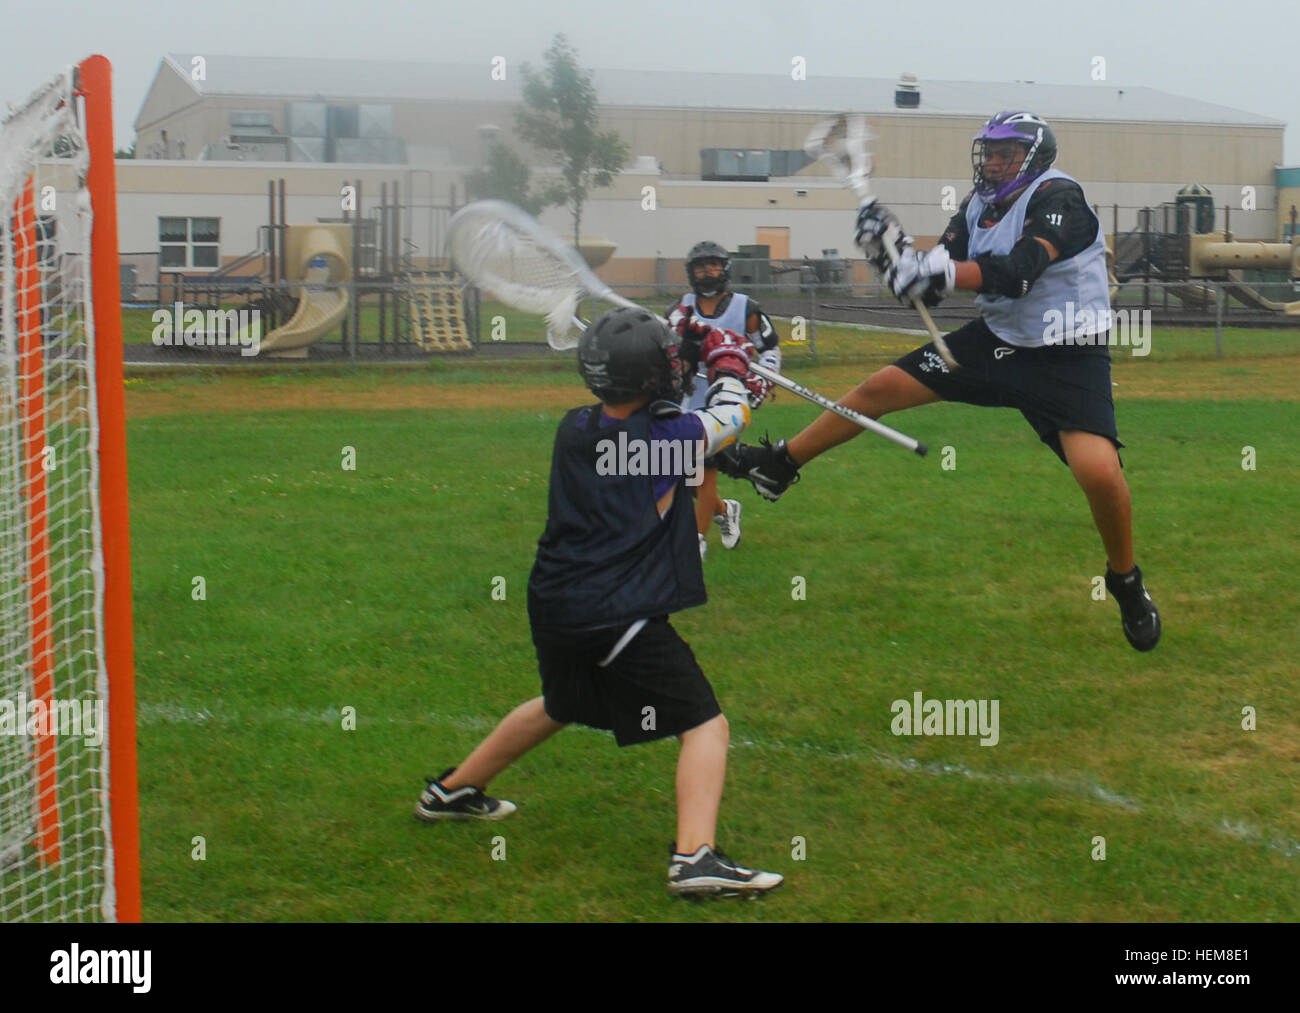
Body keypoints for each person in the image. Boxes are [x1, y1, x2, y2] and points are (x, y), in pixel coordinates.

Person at [722, 111, 1161, 652]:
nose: (995, 162)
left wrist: (937, 270)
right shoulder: (977, 207)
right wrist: (896, 256)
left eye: (1008, 153)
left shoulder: (1059, 198)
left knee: (1099, 473)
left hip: (1066, 353)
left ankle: (1125, 580)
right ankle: (781, 463)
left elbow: (1019, 271)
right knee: (879, 388)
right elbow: (932, 287)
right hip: (996, 342)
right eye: (990, 152)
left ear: (1036, 156)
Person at [414, 306, 783, 898]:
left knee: (562, 703)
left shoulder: (576, 428)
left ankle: (453, 791)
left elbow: (683, 429)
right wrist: (731, 362)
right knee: (706, 725)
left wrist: (697, 354)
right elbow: (728, 417)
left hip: (557, 602)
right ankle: (695, 860)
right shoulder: (664, 440)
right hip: (617, 612)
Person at [667, 241, 782, 560]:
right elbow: (670, 351)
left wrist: (764, 377)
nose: (708, 271)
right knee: (683, 474)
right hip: (688, 398)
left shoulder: (746, 308)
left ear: (725, 269)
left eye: (714, 265)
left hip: (727, 401)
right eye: (701, 266)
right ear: (691, 272)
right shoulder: (682, 308)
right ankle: (725, 510)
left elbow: (770, 348)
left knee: (704, 468)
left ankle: (696, 540)